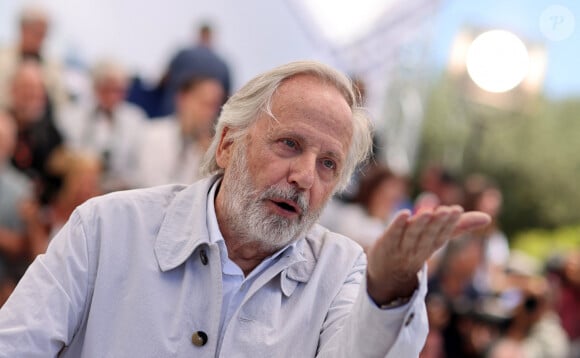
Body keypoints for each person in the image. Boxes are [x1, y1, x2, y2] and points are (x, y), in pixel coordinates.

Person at [0, 61, 489, 357]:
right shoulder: (106, 229)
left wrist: (389, 291)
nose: (304, 176)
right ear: (229, 143)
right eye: (289, 144)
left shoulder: (343, 273)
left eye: (327, 164)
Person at [57, 59, 147, 192]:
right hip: (83, 189)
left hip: (122, 191)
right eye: (106, 89)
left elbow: (139, 165)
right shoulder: (71, 115)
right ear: (95, 87)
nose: (112, 96)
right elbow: (70, 154)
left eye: (118, 90)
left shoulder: (135, 119)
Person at [136, 75, 224, 187]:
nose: (209, 113)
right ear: (182, 98)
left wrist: (209, 160)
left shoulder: (210, 149)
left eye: (214, 106)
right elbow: (151, 185)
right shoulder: (152, 133)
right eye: (204, 103)